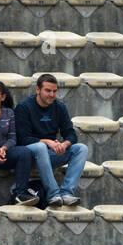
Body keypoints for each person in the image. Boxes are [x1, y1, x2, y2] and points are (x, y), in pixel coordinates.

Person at [14, 73, 89, 207]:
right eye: (48, 90)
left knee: (81, 148)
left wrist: (64, 145)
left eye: (54, 91)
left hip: (50, 155)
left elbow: (71, 134)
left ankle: (66, 193)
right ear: (38, 90)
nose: (52, 95)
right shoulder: (24, 107)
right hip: (29, 156)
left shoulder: (59, 107)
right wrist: (47, 142)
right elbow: (22, 139)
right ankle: (53, 194)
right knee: (40, 146)